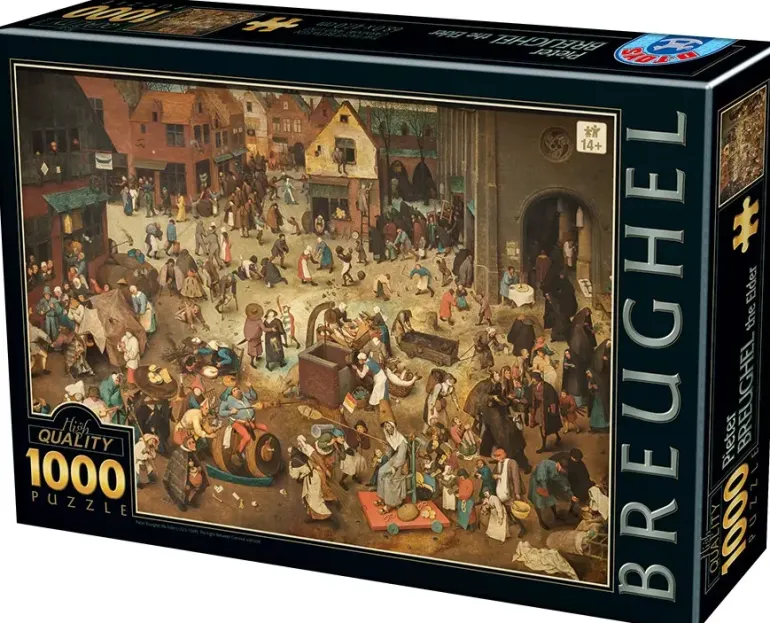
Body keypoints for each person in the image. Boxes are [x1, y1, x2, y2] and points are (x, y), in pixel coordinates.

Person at [528, 457, 578, 530]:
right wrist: (544, 489)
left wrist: (571, 495)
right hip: (537, 485)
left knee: (552, 500)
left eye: (564, 470)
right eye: (562, 468)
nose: (562, 470)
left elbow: (564, 484)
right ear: (558, 464)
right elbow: (541, 478)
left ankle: (555, 515)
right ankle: (541, 520)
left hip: (549, 485)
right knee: (538, 503)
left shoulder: (562, 472)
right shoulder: (545, 464)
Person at [491, 447, 526, 537]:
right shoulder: (499, 464)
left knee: (515, 510)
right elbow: (494, 473)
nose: (499, 457)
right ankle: (512, 520)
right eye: (497, 456)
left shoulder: (511, 463)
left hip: (511, 491)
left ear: (505, 454)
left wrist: (517, 492)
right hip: (502, 491)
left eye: (500, 455)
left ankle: (523, 528)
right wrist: (494, 476)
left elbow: (516, 478)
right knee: (507, 509)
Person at [376, 415, 409, 511]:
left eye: (389, 426)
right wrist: (386, 447)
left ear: (393, 426)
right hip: (394, 459)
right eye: (386, 426)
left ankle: (390, 504)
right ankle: (383, 498)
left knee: (389, 478)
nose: (387, 428)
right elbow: (390, 453)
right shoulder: (391, 437)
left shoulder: (401, 440)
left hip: (402, 463)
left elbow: (401, 457)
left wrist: (394, 467)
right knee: (381, 471)